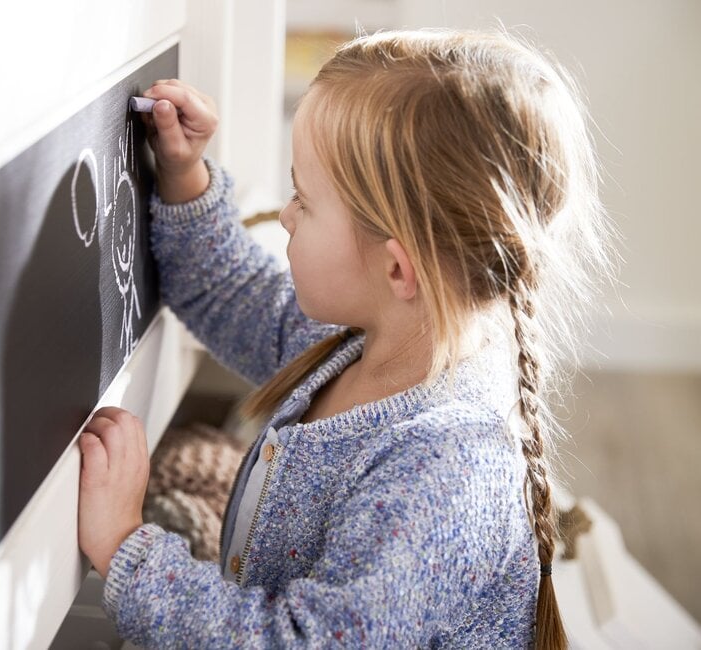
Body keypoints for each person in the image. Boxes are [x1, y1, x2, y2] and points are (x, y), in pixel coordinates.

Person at [77, 28, 614, 648]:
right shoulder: (376, 340)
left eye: (304, 200)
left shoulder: (444, 473)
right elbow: (231, 294)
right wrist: (184, 173)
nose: (284, 214)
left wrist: (126, 549)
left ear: (395, 269)